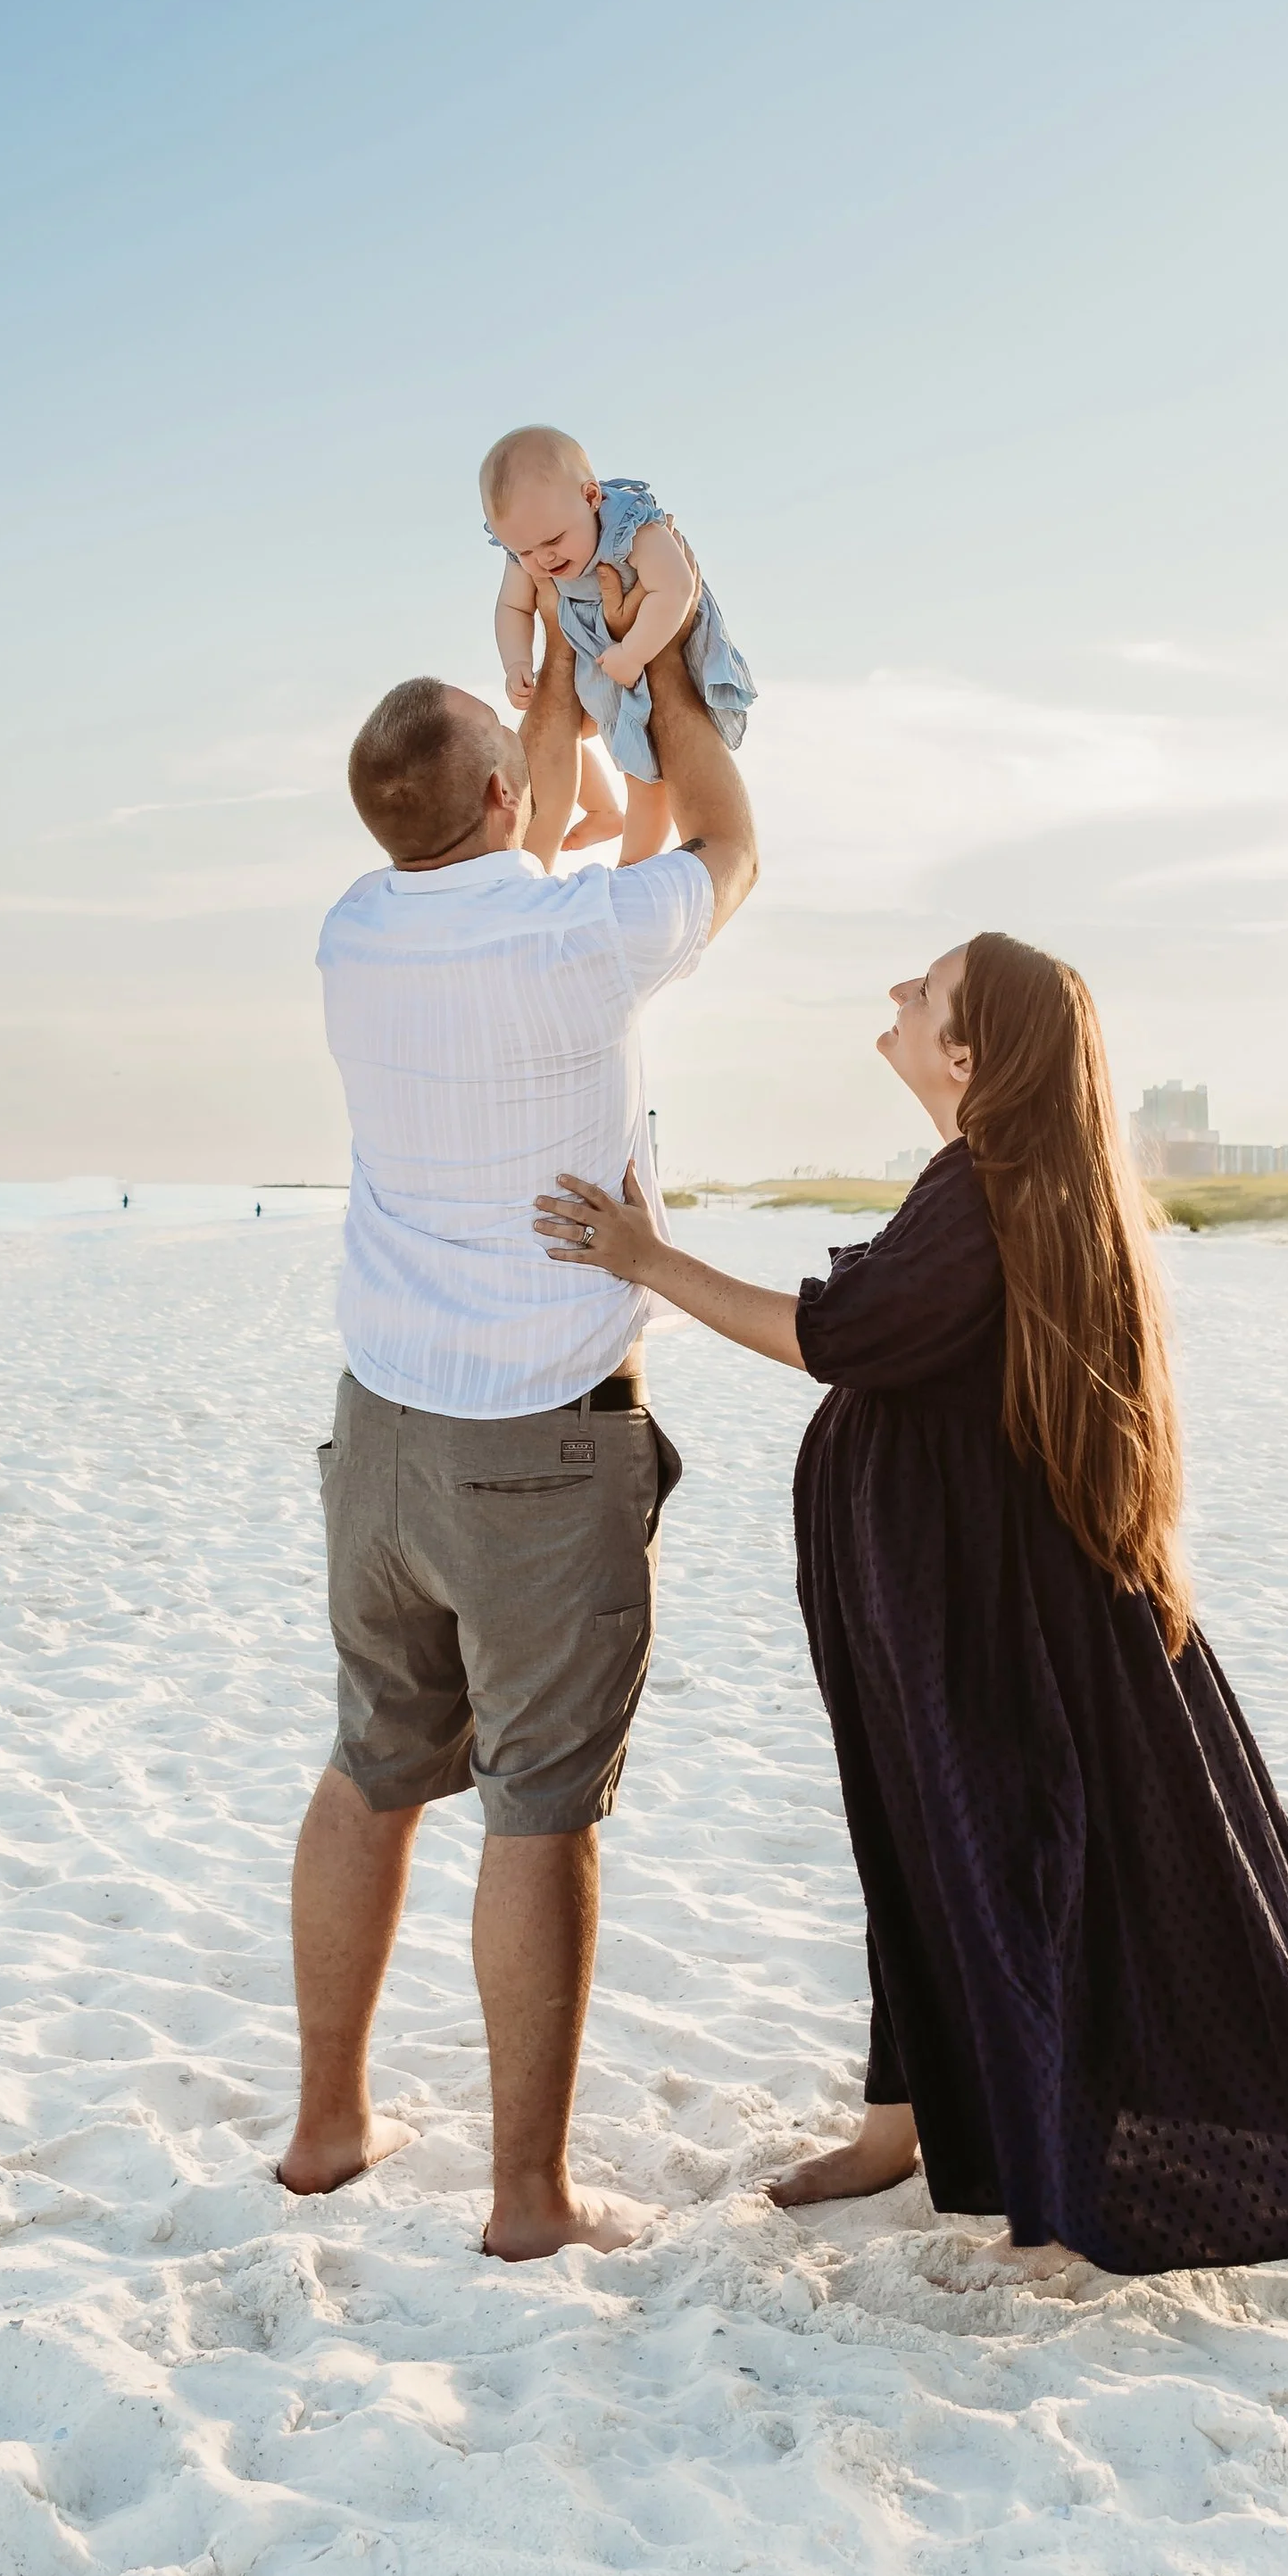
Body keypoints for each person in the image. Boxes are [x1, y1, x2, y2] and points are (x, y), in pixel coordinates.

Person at [535, 934, 1288, 2279]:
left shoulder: (992, 1190)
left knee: (1013, 1861)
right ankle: (900, 2122)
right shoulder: (990, 1177)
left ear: (968, 1051)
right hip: (938, 1594)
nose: (895, 993)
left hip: (980, 1609)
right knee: (914, 1839)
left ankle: (1047, 2162)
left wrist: (647, 1260)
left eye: (927, 990)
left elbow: (826, 1336)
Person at [280, 593, 759, 2260]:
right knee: (538, 1807)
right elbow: (729, 844)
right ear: (495, 800)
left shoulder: (358, 923)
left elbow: (526, 827)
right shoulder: (576, 940)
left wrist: (539, 702)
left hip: (384, 1431)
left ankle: (328, 2123)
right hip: (539, 1445)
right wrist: (665, 674)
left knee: (370, 1769)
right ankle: (528, 2197)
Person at [482, 423, 755, 868]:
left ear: (591, 498)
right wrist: (515, 662)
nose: (543, 560)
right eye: (525, 552)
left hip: (656, 640)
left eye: (553, 541)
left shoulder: (628, 527)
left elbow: (677, 587)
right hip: (597, 655)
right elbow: (512, 606)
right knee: (540, 741)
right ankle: (603, 811)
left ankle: (634, 869)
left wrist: (635, 654)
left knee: (648, 772)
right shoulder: (529, 543)